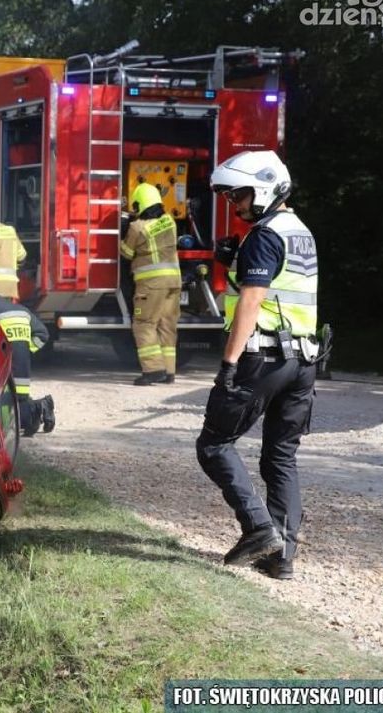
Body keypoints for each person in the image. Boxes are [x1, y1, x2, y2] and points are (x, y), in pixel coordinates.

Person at [195, 150, 320, 580]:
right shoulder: (298, 229)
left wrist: (229, 362)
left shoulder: (264, 236)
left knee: (213, 444)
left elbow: (253, 301)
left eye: (241, 196)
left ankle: (258, 529)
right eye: (232, 198)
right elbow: (281, 288)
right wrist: (234, 264)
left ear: (265, 187)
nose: (237, 205)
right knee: (280, 458)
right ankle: (281, 559)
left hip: (262, 357)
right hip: (303, 361)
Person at [120, 183, 182, 385]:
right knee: (167, 326)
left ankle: (153, 370)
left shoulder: (137, 228)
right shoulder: (170, 221)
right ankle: (169, 371)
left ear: (140, 204)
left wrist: (124, 228)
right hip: (173, 282)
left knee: (144, 324)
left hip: (151, 285)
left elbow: (126, 253)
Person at [0, 290, 55, 435]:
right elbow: (43, 334)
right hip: (22, 367)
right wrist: (27, 349)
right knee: (17, 403)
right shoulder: (22, 310)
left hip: (6, 366)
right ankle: (35, 413)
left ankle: (40, 407)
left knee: (5, 413)